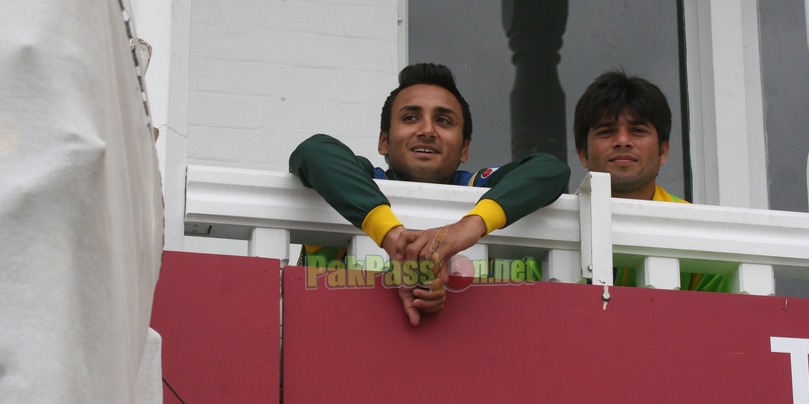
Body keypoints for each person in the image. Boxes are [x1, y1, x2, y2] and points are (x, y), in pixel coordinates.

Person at [290, 63, 571, 324]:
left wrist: (466, 229)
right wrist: (398, 243)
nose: (427, 130)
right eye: (411, 118)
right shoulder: (364, 179)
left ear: (464, 149)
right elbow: (314, 151)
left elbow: (551, 170)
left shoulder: (478, 188)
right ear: (384, 141)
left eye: (444, 121)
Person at [573, 71, 729, 292]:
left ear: (663, 151)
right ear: (583, 154)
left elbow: (718, 319)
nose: (623, 141)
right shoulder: (552, 221)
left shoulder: (699, 228)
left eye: (637, 130)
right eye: (607, 131)